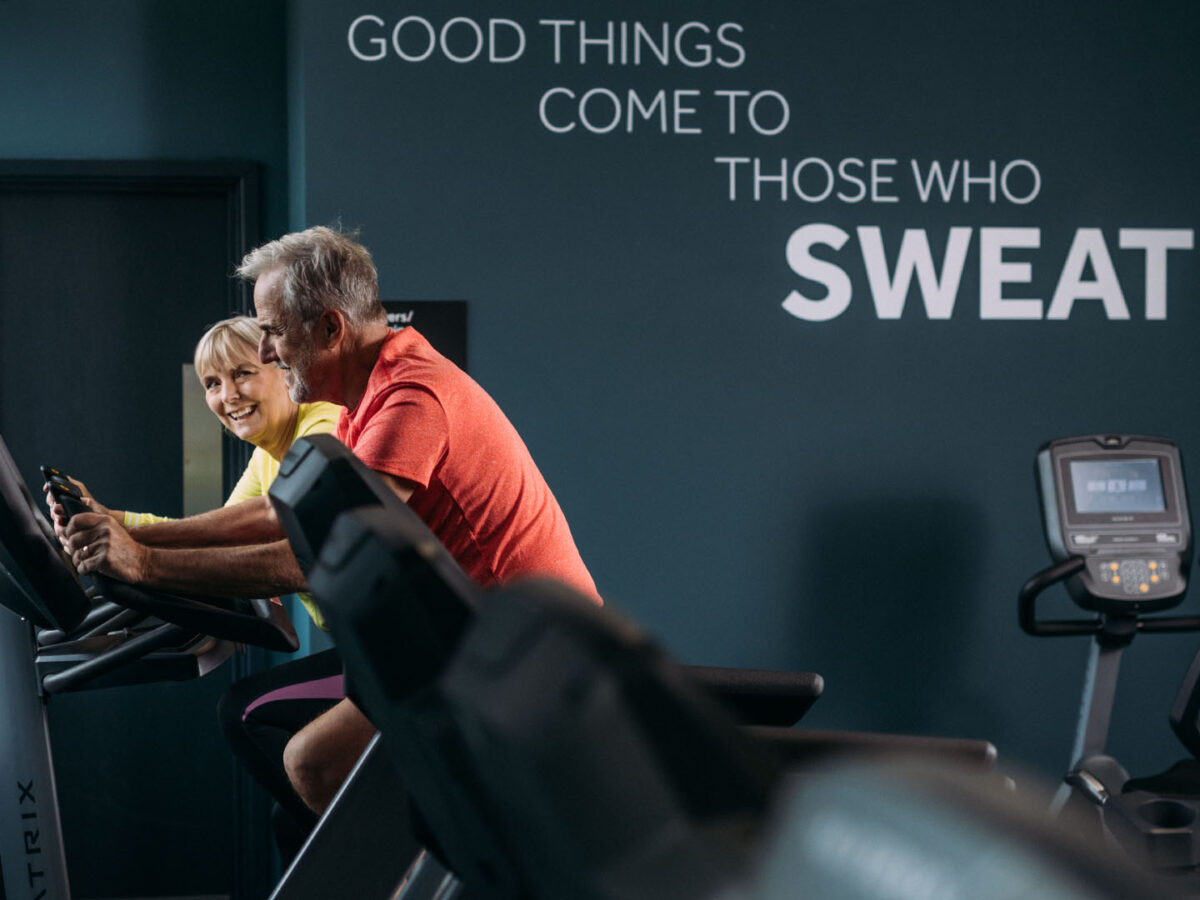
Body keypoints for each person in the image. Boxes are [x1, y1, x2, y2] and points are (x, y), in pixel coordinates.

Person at [60, 225, 600, 825]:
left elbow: (315, 553)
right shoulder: (361, 403)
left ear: (330, 329)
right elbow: (277, 515)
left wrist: (144, 564)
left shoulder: (411, 400)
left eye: (272, 332)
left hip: (524, 653)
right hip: (459, 639)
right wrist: (133, 533)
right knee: (290, 782)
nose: (266, 351)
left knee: (312, 764)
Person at [46, 315, 345, 855]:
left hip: (418, 655)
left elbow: (278, 517)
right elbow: (211, 540)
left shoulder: (325, 421)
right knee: (288, 822)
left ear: (282, 369)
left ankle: (370, 857)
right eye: (212, 383)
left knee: (248, 714)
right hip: (365, 651)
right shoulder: (265, 459)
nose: (228, 396)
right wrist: (104, 517)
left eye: (242, 374)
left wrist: (133, 551)